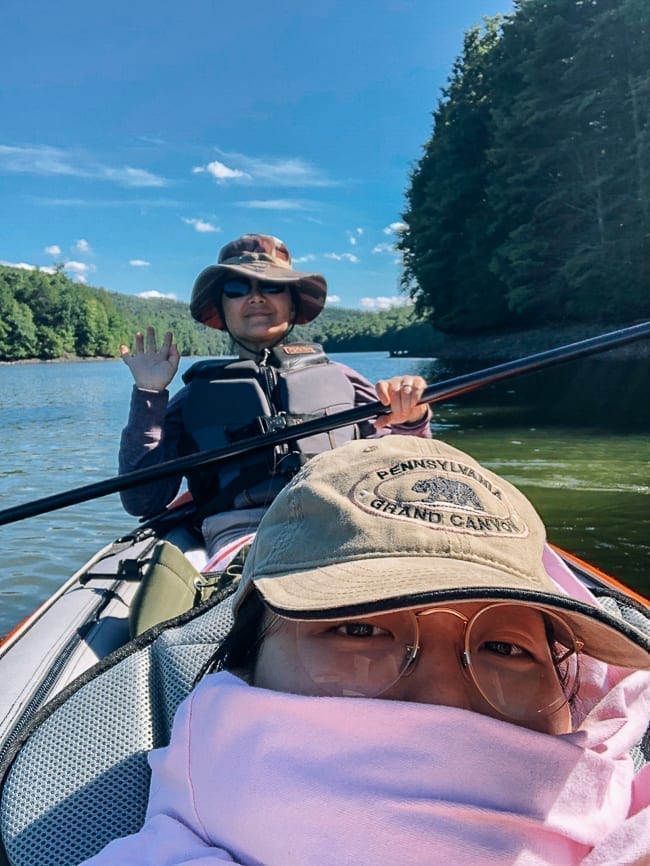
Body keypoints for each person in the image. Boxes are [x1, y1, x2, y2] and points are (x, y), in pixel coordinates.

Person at [82, 436, 649, 865]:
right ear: (244, 666)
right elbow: (146, 494)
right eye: (359, 631)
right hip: (234, 529)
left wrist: (408, 422)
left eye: (506, 646)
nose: (444, 701)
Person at [118, 233, 431, 559]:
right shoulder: (193, 398)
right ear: (221, 309)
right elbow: (143, 501)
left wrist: (411, 419)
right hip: (244, 539)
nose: (255, 298)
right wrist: (149, 393)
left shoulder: (344, 379)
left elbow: (407, 471)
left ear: (292, 302)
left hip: (348, 522)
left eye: (271, 286)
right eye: (237, 289)